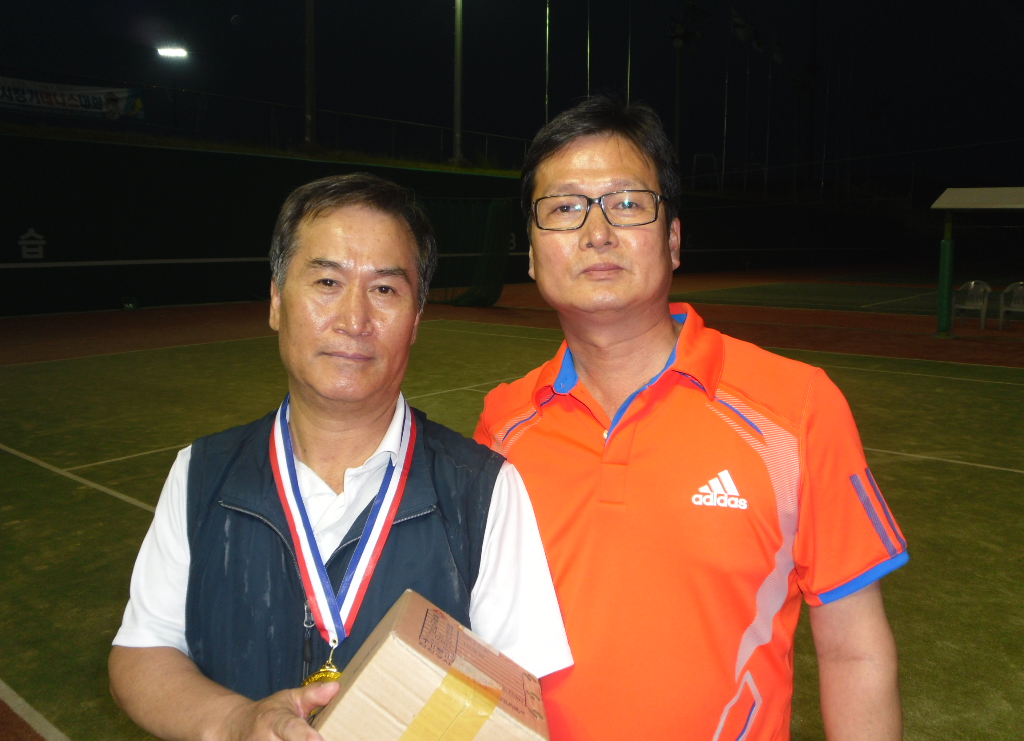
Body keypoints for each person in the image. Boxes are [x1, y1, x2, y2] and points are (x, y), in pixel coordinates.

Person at [474, 96, 907, 741]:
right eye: (564, 208)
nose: (597, 232)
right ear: (533, 255)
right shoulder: (502, 425)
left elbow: (854, 653)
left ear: (673, 239)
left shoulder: (798, 407)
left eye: (627, 203)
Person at [110, 173, 572, 741]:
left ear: (416, 319)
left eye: (385, 290)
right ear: (276, 301)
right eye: (327, 281)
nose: (354, 320)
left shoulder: (485, 492)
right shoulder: (201, 472)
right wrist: (234, 721)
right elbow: (144, 650)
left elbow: (518, 705)